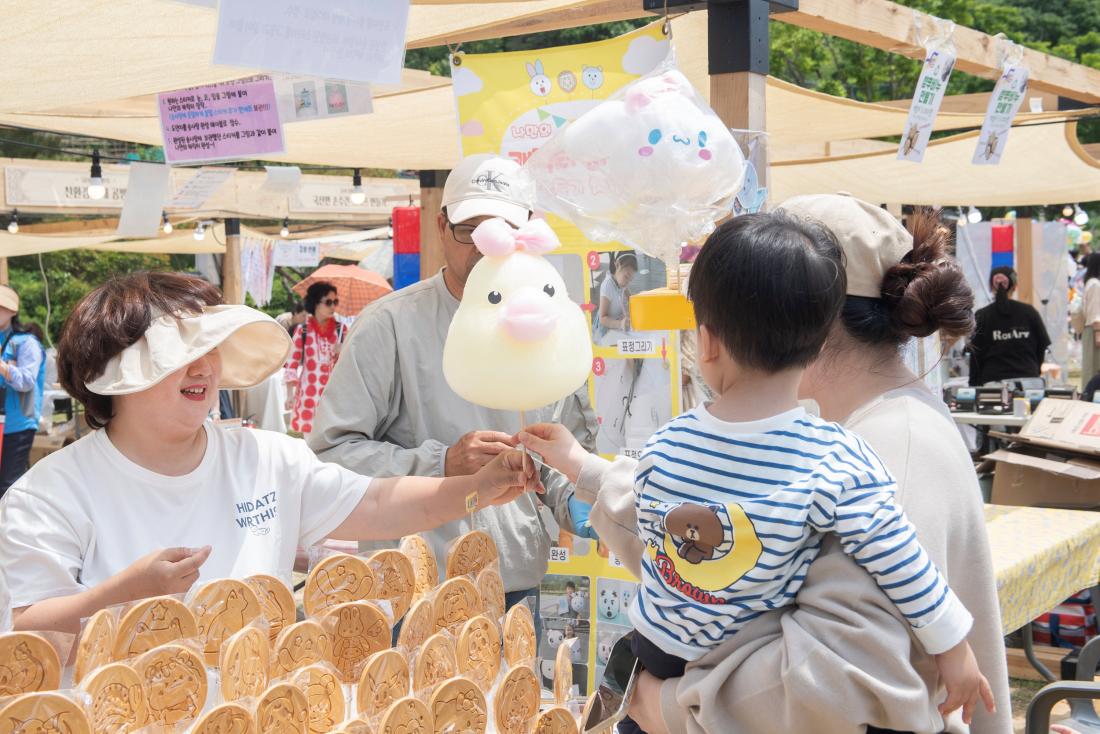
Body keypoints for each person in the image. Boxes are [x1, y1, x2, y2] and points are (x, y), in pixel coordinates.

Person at [522, 198, 1011, 734]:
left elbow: (831, 680)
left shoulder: (891, 449)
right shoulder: (838, 435)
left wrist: (657, 705)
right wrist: (585, 468)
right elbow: (708, 533)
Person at [0, 272, 537, 634]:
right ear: (113, 377)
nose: (203, 368)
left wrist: (477, 489)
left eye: (210, 348)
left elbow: (376, 505)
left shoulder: (266, 456)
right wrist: (124, 593)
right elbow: (25, 631)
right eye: (178, 354)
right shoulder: (49, 494)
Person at [308, 153, 597, 625]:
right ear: (442, 228)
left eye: (503, 229)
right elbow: (329, 454)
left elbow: (563, 454)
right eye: (471, 230)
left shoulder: (552, 322)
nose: (486, 246)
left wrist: (589, 501)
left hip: (518, 580)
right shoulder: (390, 324)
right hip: (412, 587)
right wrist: (441, 462)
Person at [967, 267, 1050, 386]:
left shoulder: (982, 315)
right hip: (1030, 382)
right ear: (1015, 286)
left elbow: (975, 355)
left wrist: (974, 385)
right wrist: (1034, 371)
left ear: (991, 286)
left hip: (993, 384)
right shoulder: (1030, 312)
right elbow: (1041, 348)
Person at [0, 286, 45, 497]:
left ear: (13, 311)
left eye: (1, 307)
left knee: (8, 487)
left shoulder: (27, 343)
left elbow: (27, 381)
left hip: (17, 424)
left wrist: (3, 366)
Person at [284, 282, 343, 435]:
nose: (333, 306)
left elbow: (350, 365)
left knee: (333, 439)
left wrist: (342, 352)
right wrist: (289, 395)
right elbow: (291, 363)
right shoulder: (302, 330)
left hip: (334, 396)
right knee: (310, 444)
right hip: (308, 396)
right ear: (315, 303)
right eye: (328, 302)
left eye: (335, 302)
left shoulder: (341, 330)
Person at [594, 252, 638, 345]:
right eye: (626, 277)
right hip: (607, 329)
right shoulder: (608, 285)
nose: (627, 282)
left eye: (630, 280)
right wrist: (620, 324)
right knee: (626, 351)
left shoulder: (621, 281)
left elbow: (631, 299)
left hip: (616, 323)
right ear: (617, 265)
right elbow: (602, 319)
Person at [1081, 253, 1100, 388]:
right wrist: (1098, 334)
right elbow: (1095, 312)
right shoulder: (1095, 285)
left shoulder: (1091, 283)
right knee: (1093, 369)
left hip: (1093, 330)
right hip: (1095, 330)